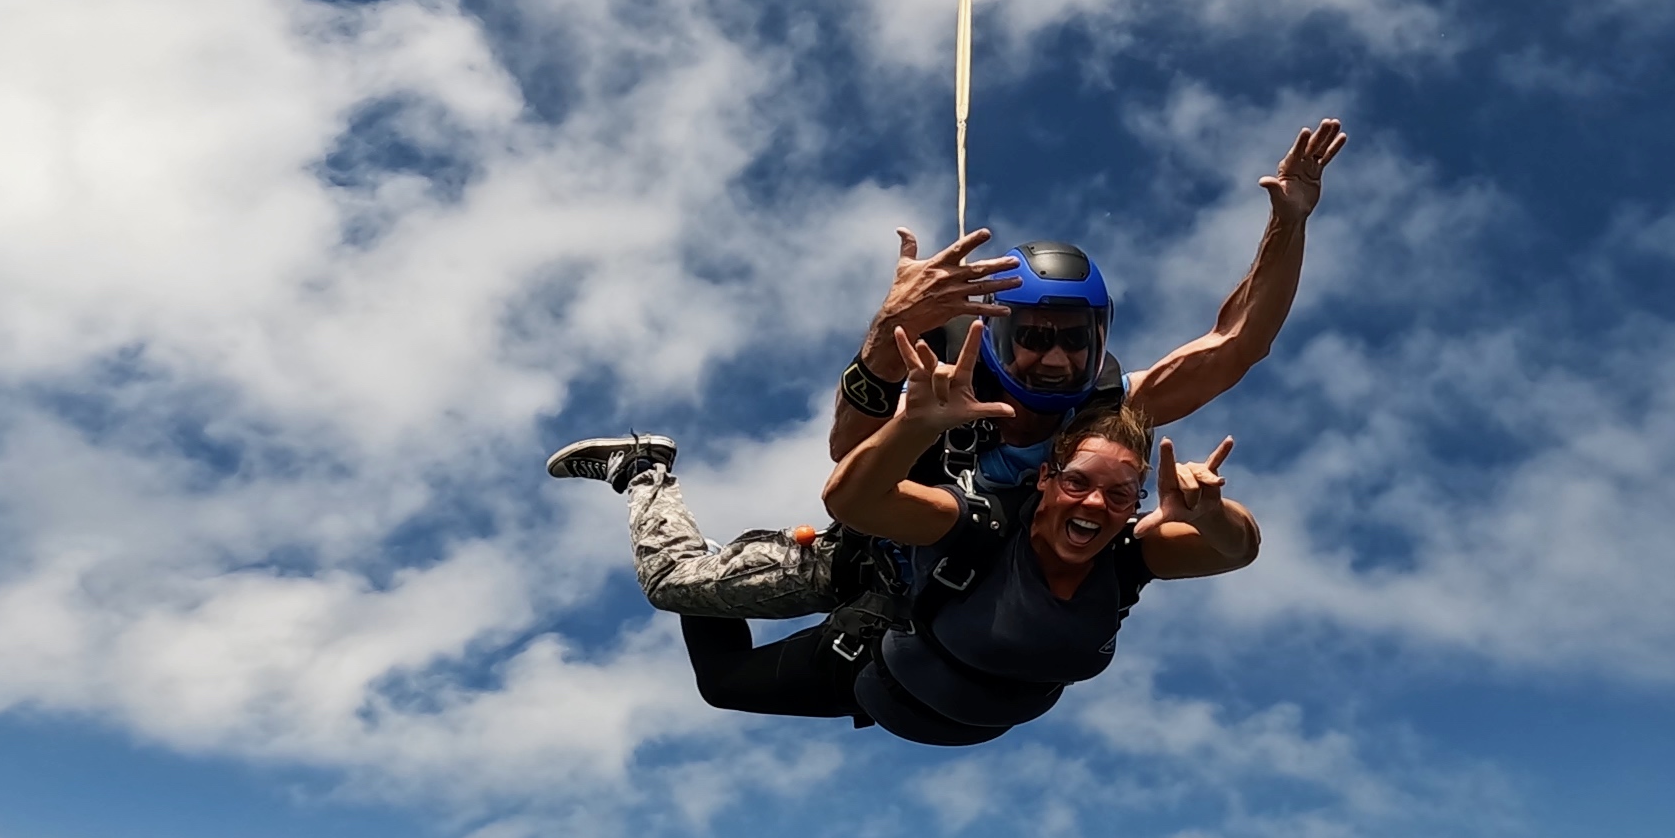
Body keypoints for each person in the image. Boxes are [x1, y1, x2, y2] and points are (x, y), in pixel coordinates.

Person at [545, 119, 1344, 619]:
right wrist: (887, 338)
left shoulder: (1109, 411)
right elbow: (845, 456)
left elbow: (1238, 341)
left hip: (980, 595)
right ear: (998, 335)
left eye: (1075, 338)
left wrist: (1290, 223)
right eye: (1035, 336)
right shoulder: (950, 379)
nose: (1056, 358)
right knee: (675, 585)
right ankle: (645, 470)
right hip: (873, 562)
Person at [677, 319, 1258, 744]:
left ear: (1136, 504)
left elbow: (1240, 549)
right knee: (713, 665)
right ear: (1045, 480)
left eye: (1120, 495)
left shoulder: (1126, 552)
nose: (1096, 503)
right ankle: (659, 490)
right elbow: (852, 500)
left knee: (721, 681)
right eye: (1078, 483)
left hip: (946, 713)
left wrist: (1212, 513)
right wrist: (913, 425)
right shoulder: (979, 523)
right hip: (876, 666)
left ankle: (713, 566)